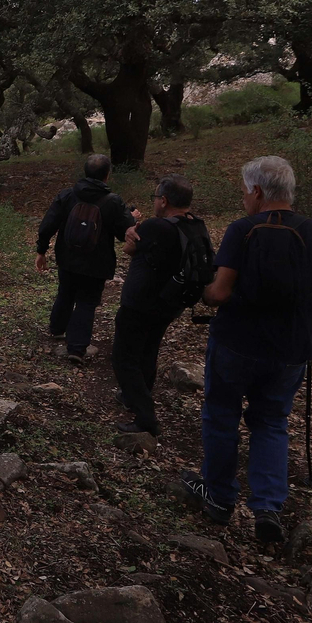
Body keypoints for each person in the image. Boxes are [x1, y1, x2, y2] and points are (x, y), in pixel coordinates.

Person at [181, 155, 312, 543]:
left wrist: (200, 290)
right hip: (292, 349)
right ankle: (267, 507)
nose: (244, 200)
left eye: (245, 192)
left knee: (221, 416)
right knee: (271, 422)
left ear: (259, 191)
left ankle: (218, 497)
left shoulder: (243, 230)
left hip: (236, 343)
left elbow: (218, 294)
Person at [112, 174, 210, 437]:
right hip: (170, 303)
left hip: (140, 304)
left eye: (156, 198)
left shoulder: (156, 226)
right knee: (148, 351)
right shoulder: (196, 226)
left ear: (164, 200)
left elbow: (129, 250)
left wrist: (132, 230)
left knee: (124, 359)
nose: (155, 202)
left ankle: (146, 417)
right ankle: (135, 397)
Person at [35, 154, 139, 363]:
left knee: (65, 291)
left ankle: (57, 329)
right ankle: (76, 348)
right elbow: (123, 235)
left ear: (85, 172)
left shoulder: (67, 195)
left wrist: (41, 251)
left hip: (67, 256)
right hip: (97, 262)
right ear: (107, 175)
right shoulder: (114, 202)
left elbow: (48, 224)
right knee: (87, 302)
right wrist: (132, 219)